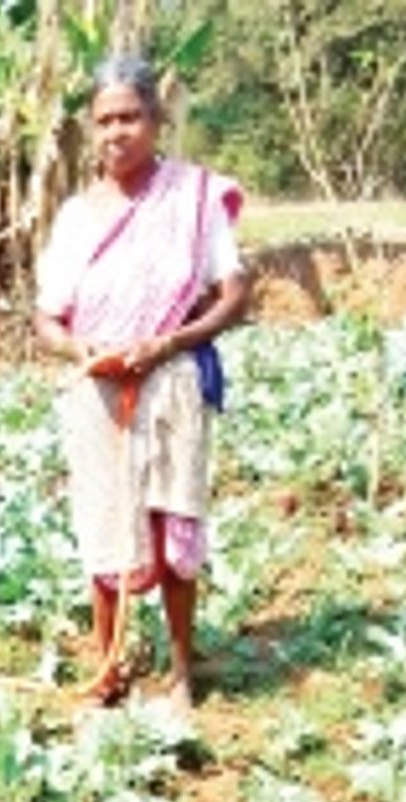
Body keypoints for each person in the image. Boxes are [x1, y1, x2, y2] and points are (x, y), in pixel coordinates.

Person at [33, 54, 248, 711]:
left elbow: (233, 294)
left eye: (129, 116)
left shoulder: (192, 198)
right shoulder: (75, 217)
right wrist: (80, 346)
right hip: (99, 389)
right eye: (103, 121)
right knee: (106, 527)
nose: (116, 132)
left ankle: (182, 670)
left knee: (173, 522)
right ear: (90, 131)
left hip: (174, 379)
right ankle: (109, 665)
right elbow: (47, 316)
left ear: (155, 121)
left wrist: (170, 342)